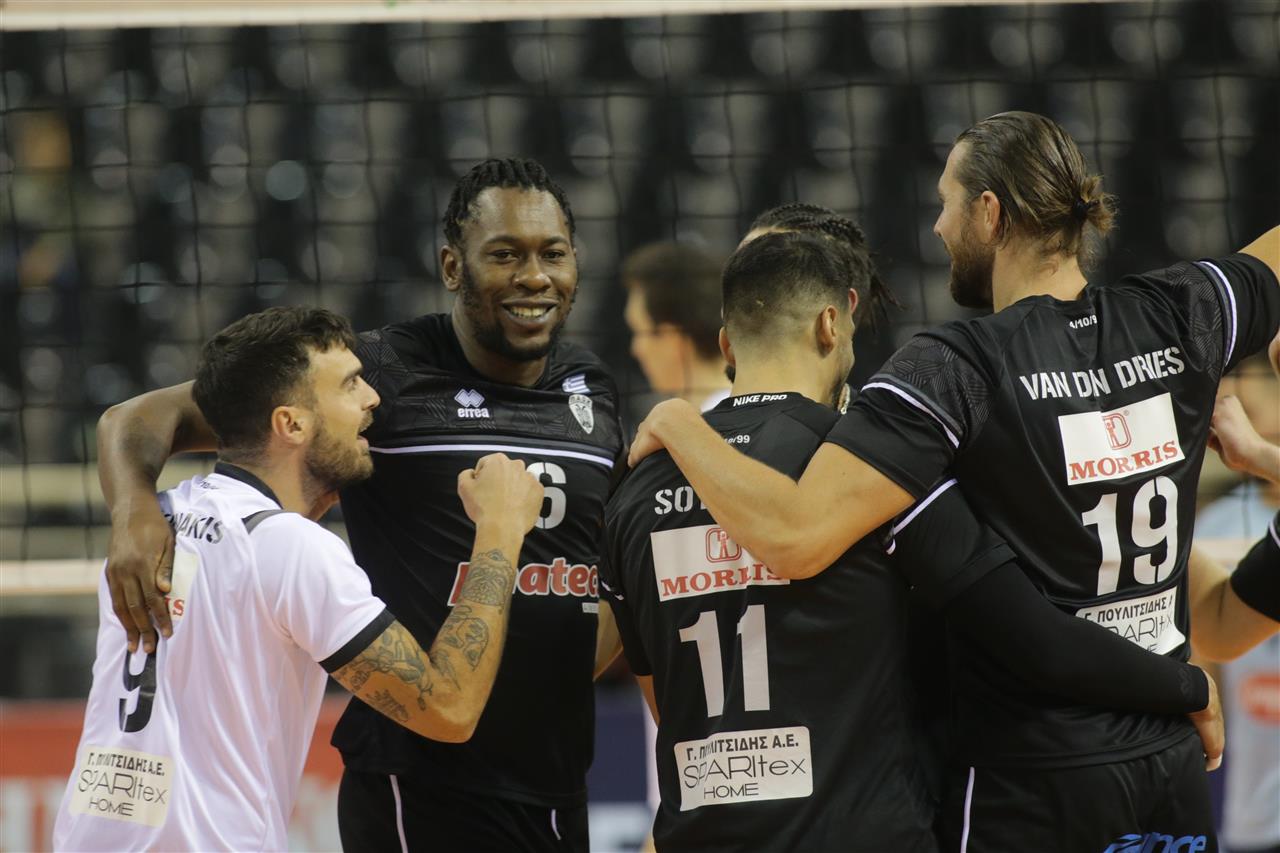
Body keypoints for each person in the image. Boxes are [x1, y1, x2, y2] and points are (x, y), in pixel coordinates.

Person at [629, 112, 1280, 849]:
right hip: (1169, 764)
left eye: (947, 202)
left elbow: (794, 533)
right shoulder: (1181, 313)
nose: (938, 226)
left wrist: (679, 420)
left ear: (990, 213)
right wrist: (1267, 462)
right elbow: (1224, 624)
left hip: (1032, 778)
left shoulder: (955, 370)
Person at [95, 159, 625, 852]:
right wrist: (133, 511)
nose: (534, 277)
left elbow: (594, 575)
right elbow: (137, 417)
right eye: (505, 255)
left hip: (558, 777)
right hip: (422, 777)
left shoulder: (592, 385)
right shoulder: (373, 376)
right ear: (453, 267)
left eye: (552, 253)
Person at [53, 306, 545, 851]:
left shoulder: (152, 520)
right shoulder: (293, 548)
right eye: (350, 384)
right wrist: (500, 531)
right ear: (291, 424)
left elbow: (128, 420)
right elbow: (448, 709)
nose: (372, 399)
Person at [621, 241, 731, 411]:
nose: (635, 350)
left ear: (671, 337)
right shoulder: (756, 405)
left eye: (638, 332)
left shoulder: (711, 420)